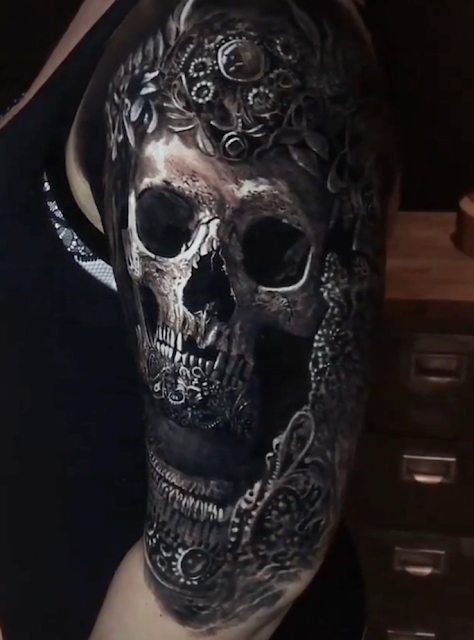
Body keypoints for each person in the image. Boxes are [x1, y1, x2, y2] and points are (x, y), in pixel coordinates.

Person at [0, 1, 398, 639]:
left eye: (273, 253)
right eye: (167, 229)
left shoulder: (247, 27)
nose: (204, 296)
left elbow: (218, 600)